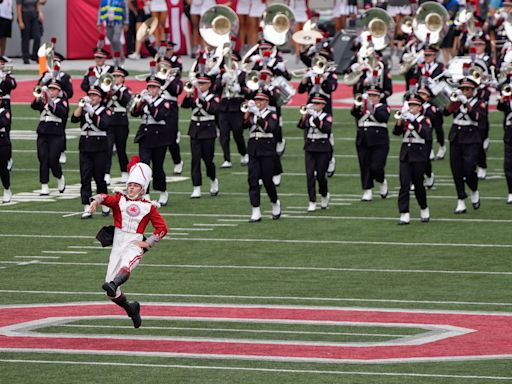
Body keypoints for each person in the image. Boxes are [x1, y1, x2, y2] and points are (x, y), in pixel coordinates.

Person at [88, 160, 168, 329]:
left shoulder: (149, 207)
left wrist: (147, 243)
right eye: (130, 185)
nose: (131, 188)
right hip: (118, 242)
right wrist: (95, 201)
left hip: (134, 243)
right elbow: (104, 197)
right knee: (110, 292)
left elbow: (162, 228)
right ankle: (131, 308)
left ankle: (115, 283)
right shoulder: (120, 200)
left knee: (126, 266)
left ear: (143, 188)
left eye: (135, 185)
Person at [71, 85, 112, 219]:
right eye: (90, 95)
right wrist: (81, 106)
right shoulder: (84, 109)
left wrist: (92, 112)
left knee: (99, 178)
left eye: (95, 95)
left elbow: (104, 125)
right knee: (85, 177)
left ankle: (104, 202)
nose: (92, 97)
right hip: (85, 146)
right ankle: (86, 207)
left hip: (100, 147)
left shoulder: (106, 111)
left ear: (100, 98)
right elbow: (73, 119)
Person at [443, 77, 484, 214]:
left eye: (467, 89)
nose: (464, 91)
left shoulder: (479, 103)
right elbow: (446, 112)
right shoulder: (457, 102)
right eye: (462, 89)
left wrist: (466, 103)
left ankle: (474, 189)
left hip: (471, 138)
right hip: (456, 137)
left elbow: (476, 117)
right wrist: (453, 100)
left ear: (473, 90)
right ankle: (460, 199)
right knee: (456, 171)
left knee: (469, 169)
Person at [131, 75, 171, 205]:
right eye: (149, 87)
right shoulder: (145, 100)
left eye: (154, 87)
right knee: (144, 166)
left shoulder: (164, 102)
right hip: (145, 136)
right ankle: (145, 193)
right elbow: (134, 113)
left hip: (159, 137)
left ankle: (162, 191)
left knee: (158, 167)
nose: (151, 89)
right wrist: (138, 103)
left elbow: (159, 116)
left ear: (159, 89)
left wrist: (150, 102)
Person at [392, 94, 430, 225]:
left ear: (420, 107)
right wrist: (400, 120)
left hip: (418, 155)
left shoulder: (425, 120)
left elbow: (426, 134)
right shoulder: (406, 119)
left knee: (419, 185)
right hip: (406, 154)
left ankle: (424, 207)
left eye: (414, 105)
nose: (411, 107)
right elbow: (396, 132)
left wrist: (413, 120)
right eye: (410, 105)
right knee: (404, 184)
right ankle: (404, 213)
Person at [244, 90, 281, 222]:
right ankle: (256, 210)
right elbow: (242, 126)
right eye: (257, 100)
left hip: (266, 150)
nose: (258, 103)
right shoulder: (252, 113)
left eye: (261, 100)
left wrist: (257, 114)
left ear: (266, 102)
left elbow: (269, 127)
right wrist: (248, 112)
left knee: (267, 181)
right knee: (253, 180)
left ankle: (275, 202)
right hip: (253, 149)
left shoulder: (272, 114)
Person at [182, 73, 219, 199]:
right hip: (195, 130)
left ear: (209, 84)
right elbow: (184, 106)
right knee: (195, 160)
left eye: (203, 83)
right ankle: (196, 187)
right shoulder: (194, 94)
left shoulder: (214, 97)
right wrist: (189, 95)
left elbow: (213, 109)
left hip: (208, 131)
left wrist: (201, 99)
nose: (200, 85)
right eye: (199, 83)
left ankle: (213, 179)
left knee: (208, 161)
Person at [350, 86, 390, 201]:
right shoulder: (362, 107)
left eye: (374, 96)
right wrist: (358, 105)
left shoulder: (383, 107)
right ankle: (367, 190)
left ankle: (382, 180)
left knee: (377, 167)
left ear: (378, 97)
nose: (371, 98)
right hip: (363, 139)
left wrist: (370, 107)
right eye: (370, 96)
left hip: (379, 140)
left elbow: (383, 118)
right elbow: (354, 113)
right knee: (364, 165)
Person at [30, 80, 68, 196]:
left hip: (56, 133)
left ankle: (59, 176)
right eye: (50, 89)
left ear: (59, 91)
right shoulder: (43, 100)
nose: (51, 91)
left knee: (53, 159)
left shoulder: (62, 102)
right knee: (43, 158)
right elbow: (33, 106)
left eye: (54, 89)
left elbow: (61, 112)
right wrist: (38, 98)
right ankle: (44, 185)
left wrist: (50, 102)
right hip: (42, 132)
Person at [297, 94, 332, 212]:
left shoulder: (327, 116)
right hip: (310, 147)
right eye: (314, 103)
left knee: (321, 176)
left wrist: (315, 116)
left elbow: (326, 129)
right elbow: (301, 126)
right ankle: (312, 201)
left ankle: (324, 194)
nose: (315, 106)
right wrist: (304, 116)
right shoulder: (308, 116)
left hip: (322, 147)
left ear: (322, 105)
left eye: (317, 104)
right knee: (310, 175)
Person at [104, 66, 132, 184]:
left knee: (121, 149)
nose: (115, 78)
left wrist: (116, 90)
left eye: (118, 76)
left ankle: (125, 172)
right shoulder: (106, 89)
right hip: (109, 122)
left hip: (121, 122)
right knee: (108, 149)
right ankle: (106, 174)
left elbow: (126, 101)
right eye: (114, 76)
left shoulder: (126, 90)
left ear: (123, 78)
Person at [496, 80, 512, 204]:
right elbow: (500, 107)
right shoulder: (508, 96)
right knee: (508, 164)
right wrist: (502, 100)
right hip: (510, 133)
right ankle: (511, 192)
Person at [16, 0, 43, 65]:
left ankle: (35, 55)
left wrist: (39, 13)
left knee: (37, 36)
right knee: (25, 38)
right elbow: (19, 8)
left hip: (34, 16)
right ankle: (25, 57)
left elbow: (37, 4)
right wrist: (20, 21)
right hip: (25, 16)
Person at [0, 94, 11, 203]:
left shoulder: (5, 111)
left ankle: (7, 188)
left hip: (2, 142)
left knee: (3, 168)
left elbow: (3, 123)